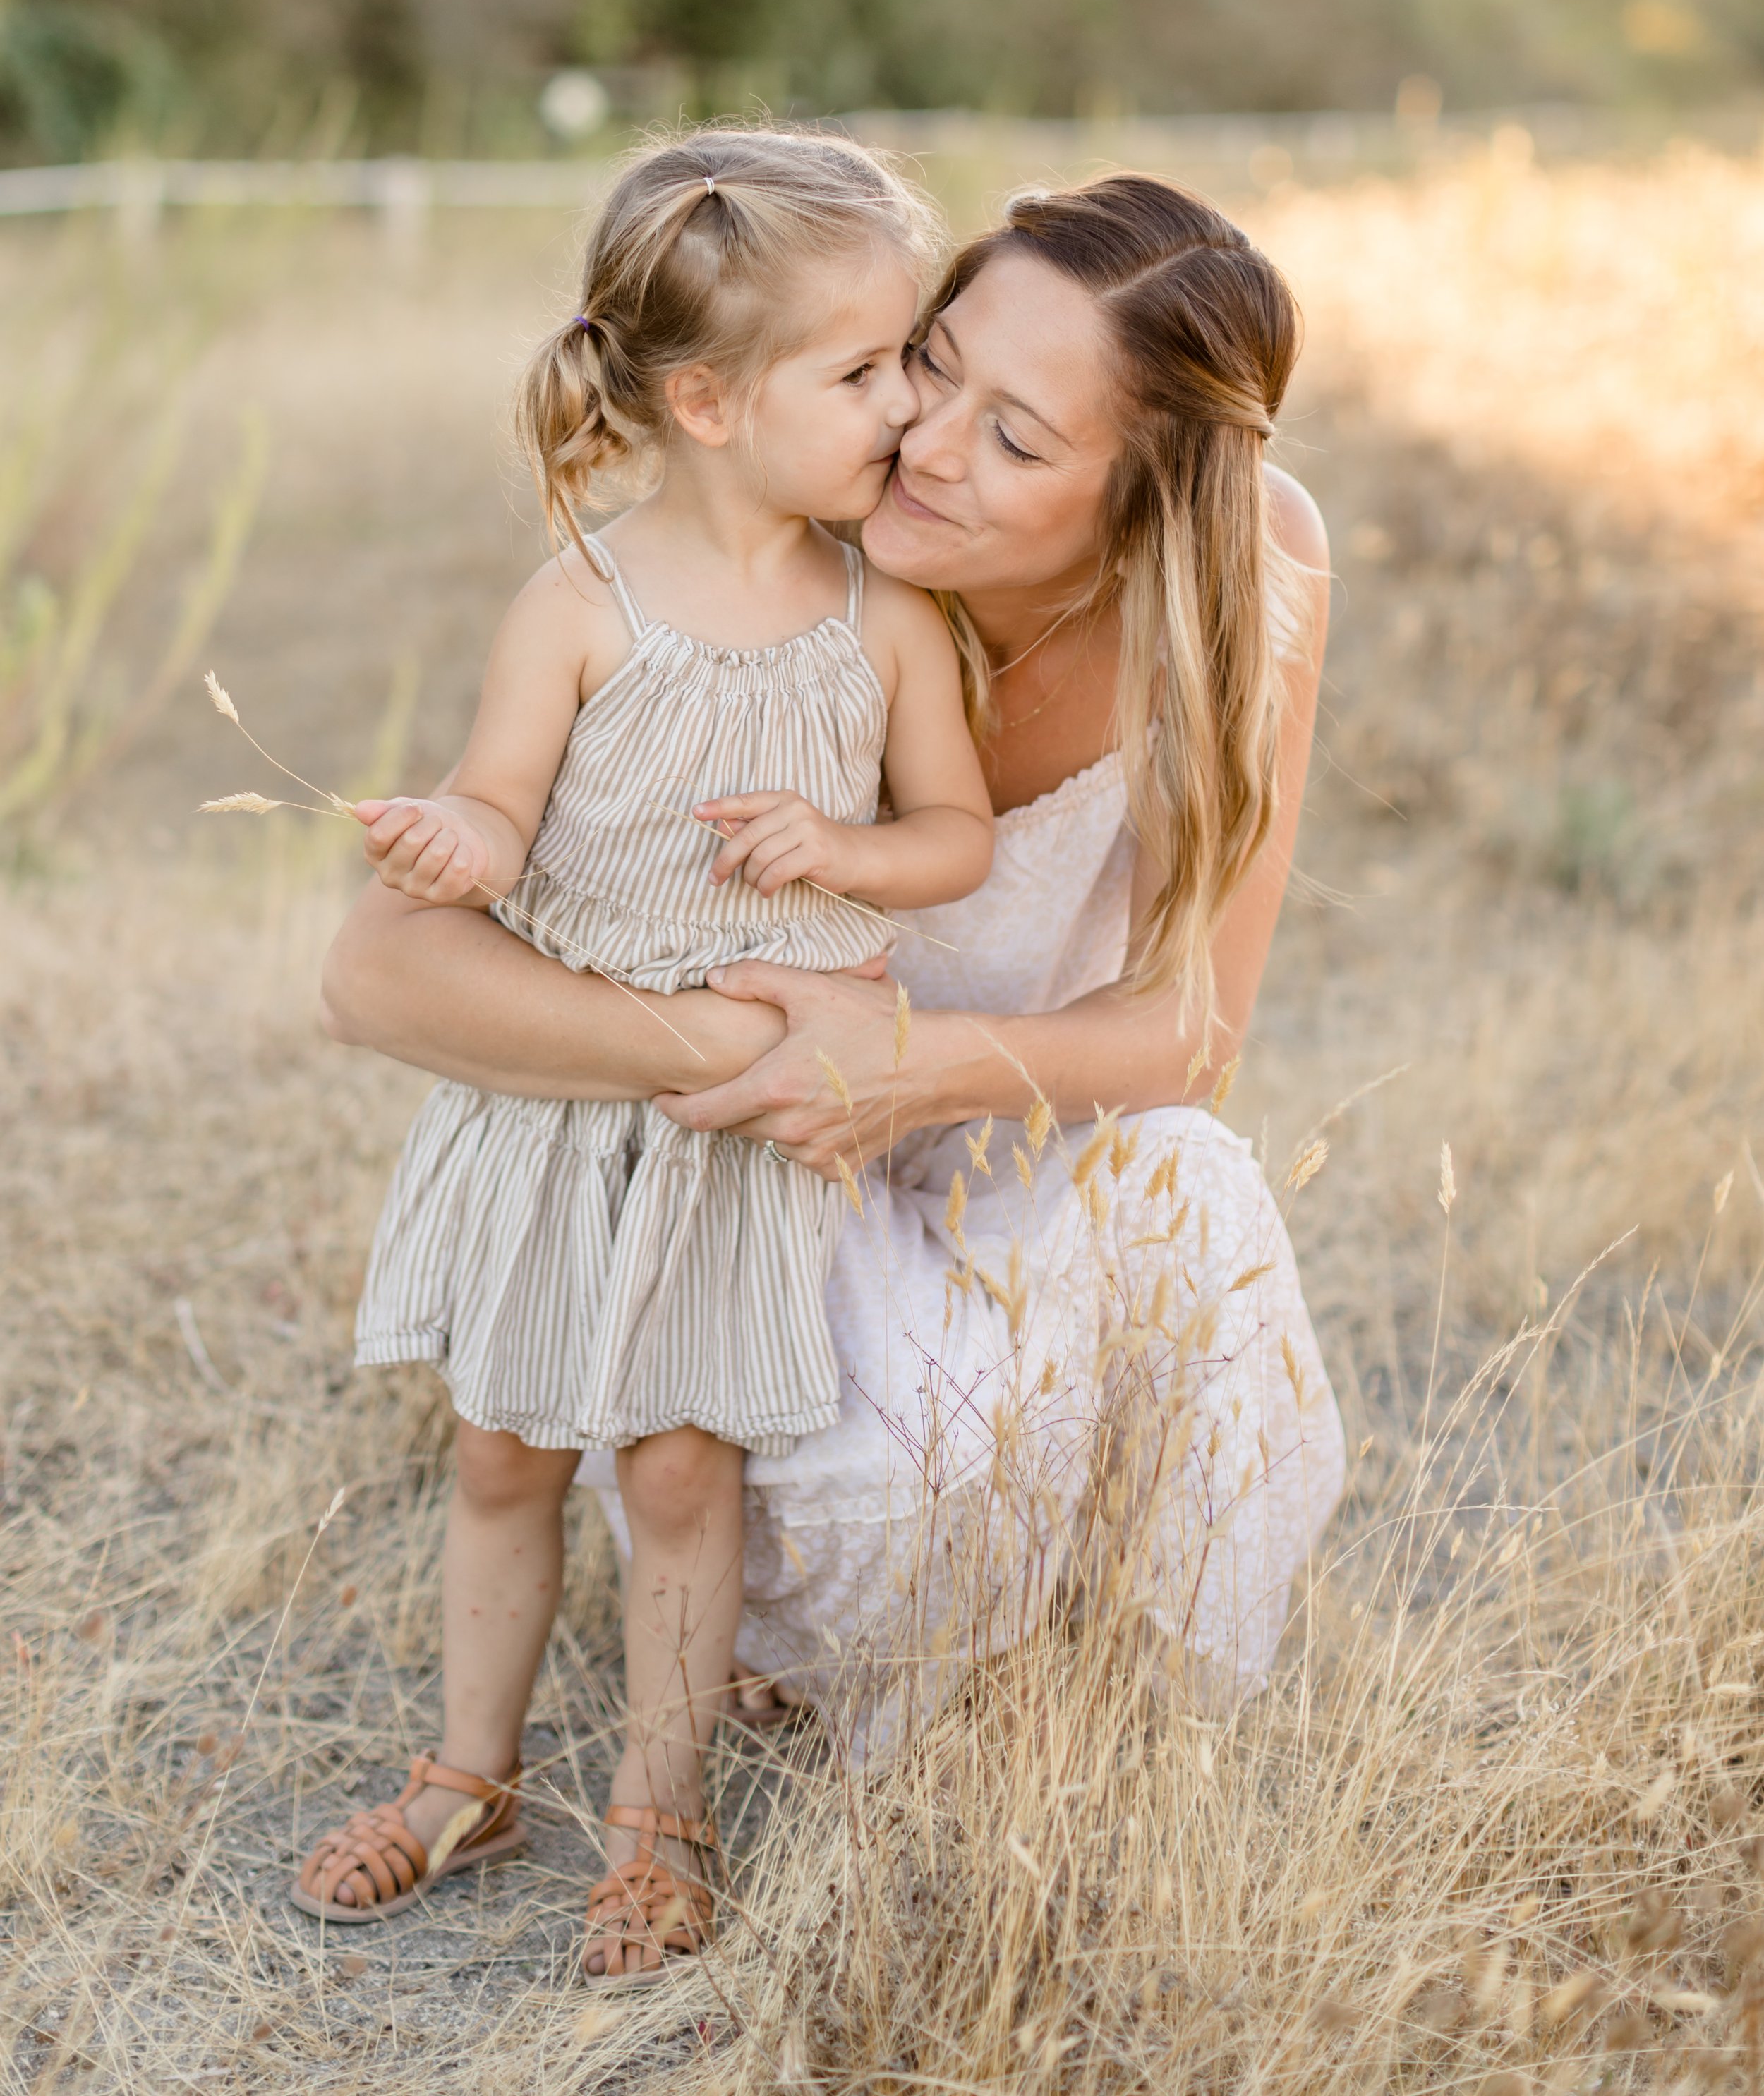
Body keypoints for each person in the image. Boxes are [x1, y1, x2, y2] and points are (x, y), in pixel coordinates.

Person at [317, 165, 1348, 1975]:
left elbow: (1188, 1031)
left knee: (1186, 1193)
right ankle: (608, 1734)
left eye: (1011, 435)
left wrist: (910, 1059)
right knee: (704, 1453)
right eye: (927, 364)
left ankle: (1057, 1695)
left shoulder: (1236, 579)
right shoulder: (774, 533)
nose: (923, 444)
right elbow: (383, 965)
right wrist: (742, 1045)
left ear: (1146, 494)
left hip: (975, 1118)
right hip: (760, 1136)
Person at [291, 133, 992, 1982]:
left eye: (909, 354)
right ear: (705, 398)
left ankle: (658, 1810)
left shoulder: (883, 619)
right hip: (555, 1109)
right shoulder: (580, 603)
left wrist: (843, 855)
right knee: (505, 1449)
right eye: (862, 371)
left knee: (683, 1473)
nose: (909, 403)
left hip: (737, 1126)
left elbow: (955, 838)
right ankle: (468, 1769)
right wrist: (456, 839)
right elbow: (502, 812)